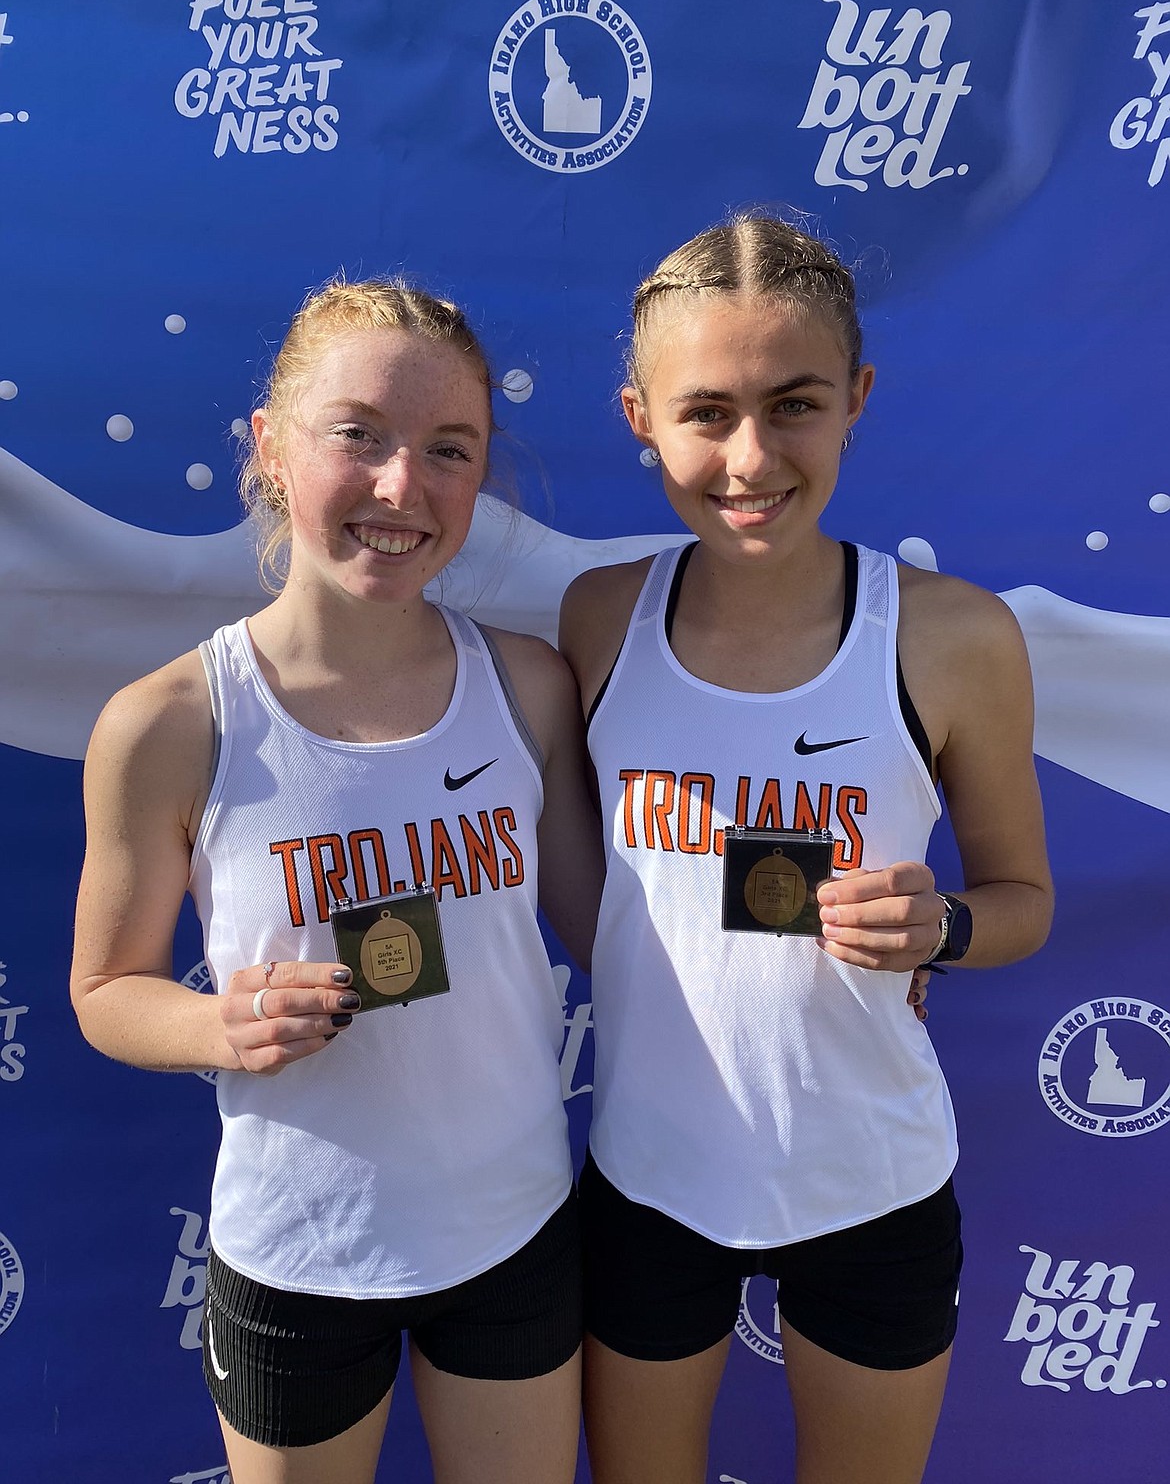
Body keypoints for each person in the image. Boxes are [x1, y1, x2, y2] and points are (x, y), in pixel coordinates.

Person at [70, 278, 602, 1484]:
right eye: (357, 434)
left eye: (448, 450)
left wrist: (805, 973)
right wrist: (221, 1023)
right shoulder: (167, 721)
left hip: (512, 1229)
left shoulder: (527, 688)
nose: (401, 488)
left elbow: (615, 936)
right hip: (298, 1253)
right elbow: (105, 989)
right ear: (269, 445)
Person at [559, 215, 1054, 1484]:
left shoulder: (952, 637)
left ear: (858, 400)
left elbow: (1023, 900)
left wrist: (940, 924)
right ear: (637, 417)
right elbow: (599, 898)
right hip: (649, 1179)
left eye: (794, 405)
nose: (750, 456)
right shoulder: (600, 619)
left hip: (873, 1183)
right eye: (706, 412)